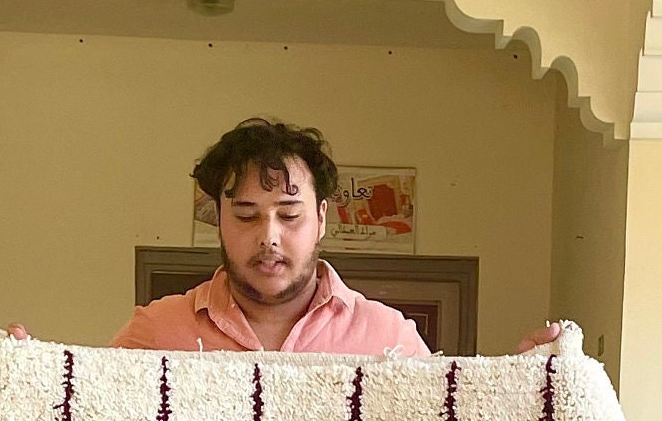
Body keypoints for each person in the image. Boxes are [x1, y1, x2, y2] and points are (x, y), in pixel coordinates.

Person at [115, 117, 430, 357]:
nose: (269, 237)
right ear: (220, 219)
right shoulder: (154, 334)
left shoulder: (391, 341)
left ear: (321, 219)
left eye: (290, 215)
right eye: (246, 215)